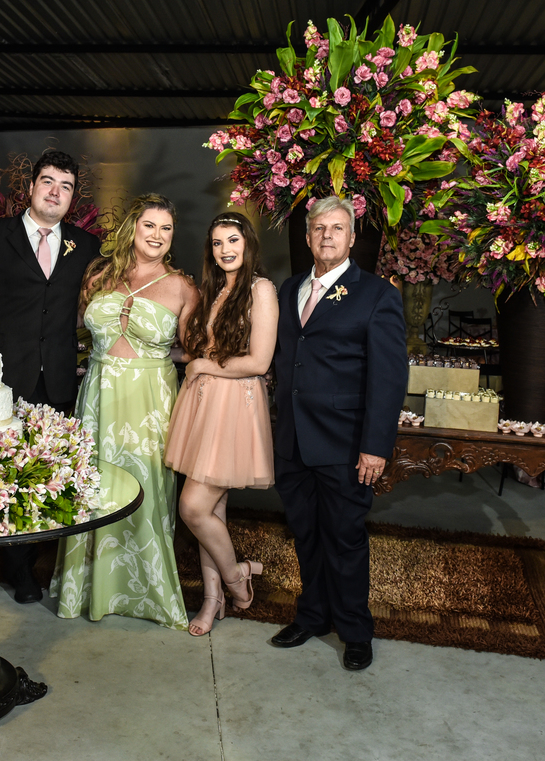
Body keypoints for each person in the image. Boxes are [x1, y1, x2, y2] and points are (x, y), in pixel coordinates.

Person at [269, 195, 407, 671]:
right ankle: (312, 615)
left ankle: (355, 630)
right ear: (308, 237)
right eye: (319, 228)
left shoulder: (377, 295)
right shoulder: (289, 289)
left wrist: (375, 447)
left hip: (345, 446)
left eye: (337, 228)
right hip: (292, 441)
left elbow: (389, 378)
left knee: (344, 540)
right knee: (305, 535)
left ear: (351, 238)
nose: (327, 236)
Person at [52, 193, 197, 630]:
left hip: (150, 401)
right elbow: (75, 326)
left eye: (166, 228)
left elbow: (195, 351)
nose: (157, 235)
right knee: (96, 486)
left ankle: (149, 594)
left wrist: (158, 356)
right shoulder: (99, 275)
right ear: (133, 228)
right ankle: (88, 589)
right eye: (149, 225)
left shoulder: (182, 286)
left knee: (145, 487)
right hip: (98, 395)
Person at [0, 149, 101, 603]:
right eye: (48, 182)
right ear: (30, 187)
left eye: (66, 186)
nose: (55, 192)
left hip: (56, 378)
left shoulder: (86, 247)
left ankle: (22, 564)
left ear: (73, 197)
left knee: (38, 475)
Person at [165, 213, 278, 636]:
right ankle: (213, 601)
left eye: (233, 240)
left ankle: (236, 576)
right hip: (203, 405)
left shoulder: (260, 289)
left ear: (247, 243)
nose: (225, 249)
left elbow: (260, 361)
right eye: (217, 243)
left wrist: (202, 366)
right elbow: (201, 349)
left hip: (233, 407)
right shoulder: (215, 289)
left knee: (193, 507)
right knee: (212, 509)